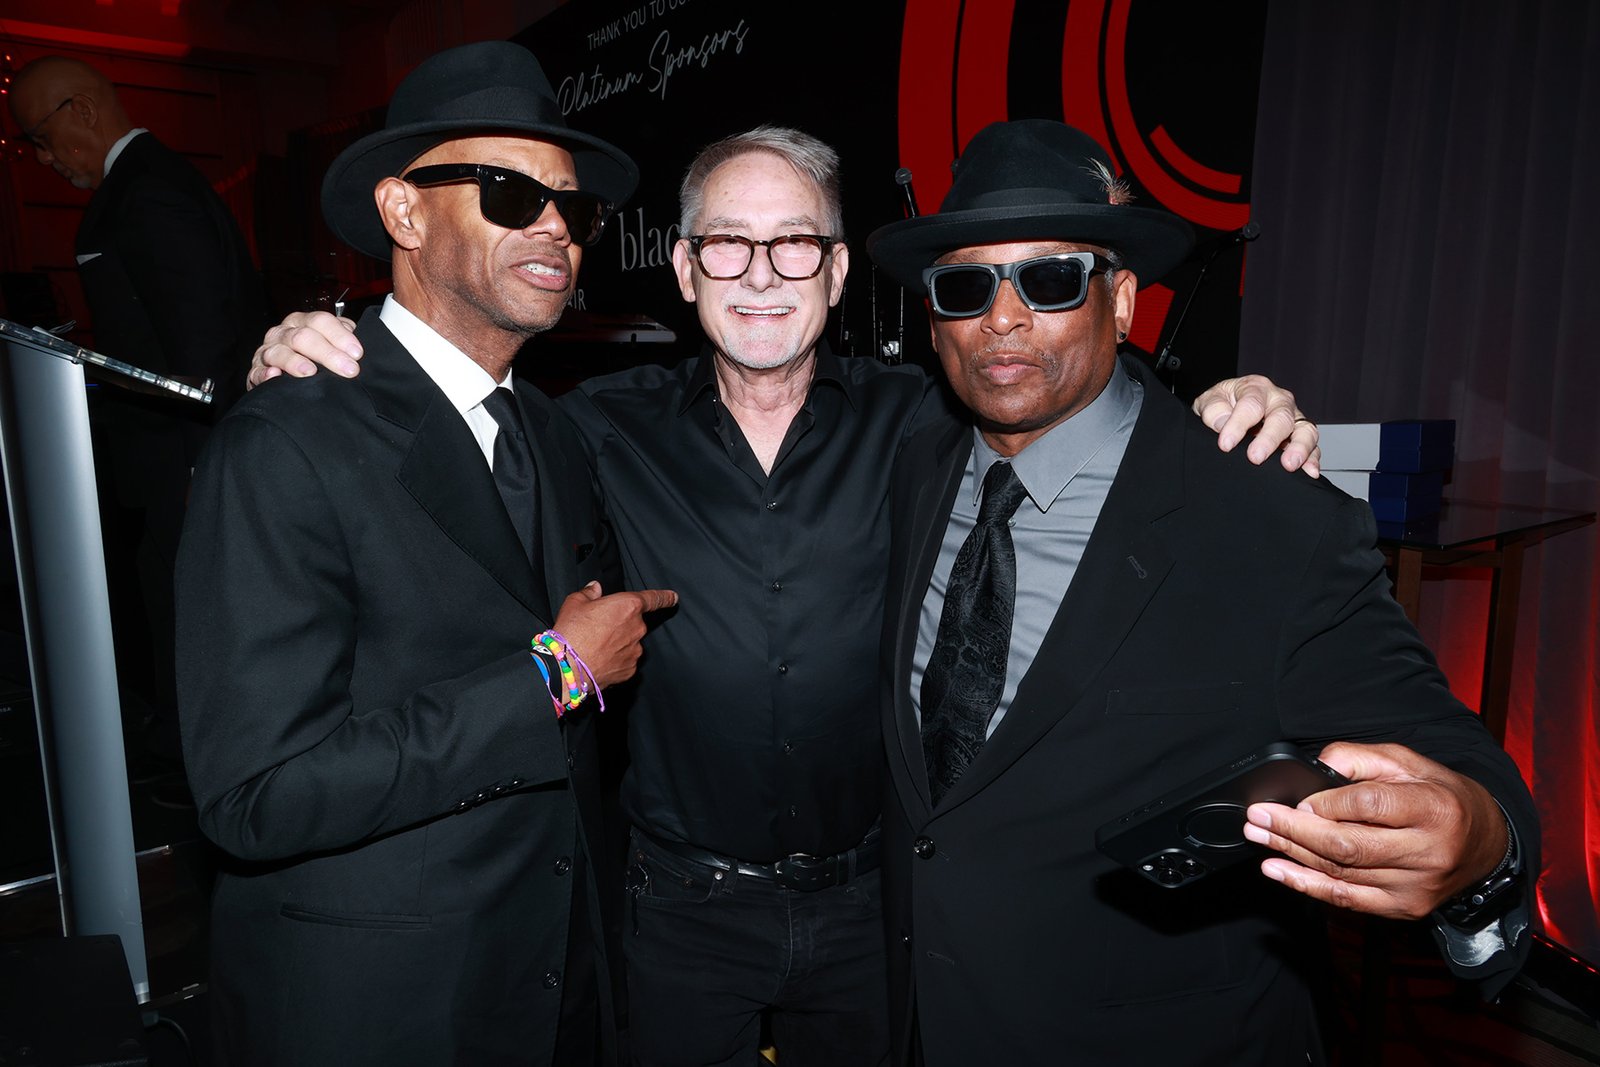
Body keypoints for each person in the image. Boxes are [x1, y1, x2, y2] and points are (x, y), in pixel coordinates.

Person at [252, 128, 1318, 1065]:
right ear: (684, 268)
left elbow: (1076, 405)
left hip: (877, 904)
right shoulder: (590, 429)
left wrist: (1227, 404)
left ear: (838, 269)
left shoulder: (931, 421)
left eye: (796, 243)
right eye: (727, 243)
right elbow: (447, 424)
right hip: (677, 908)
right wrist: (311, 348)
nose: (760, 274)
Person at [863, 119, 1538, 1065]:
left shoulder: (1267, 515)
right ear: (935, 321)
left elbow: (1449, 756)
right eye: (966, 287)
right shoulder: (910, 467)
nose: (1003, 319)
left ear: (1122, 301)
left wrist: (1478, 846)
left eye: (1051, 279)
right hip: (921, 1024)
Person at [174, 42, 674, 1066]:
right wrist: (555, 674)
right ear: (403, 212)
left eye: (573, 209)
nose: (554, 227)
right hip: (383, 1005)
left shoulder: (553, 431)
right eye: (510, 192)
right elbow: (256, 794)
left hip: (553, 985)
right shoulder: (286, 439)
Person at [8, 56, 268, 778]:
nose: (43, 158)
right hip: (174, 459)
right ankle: (192, 760)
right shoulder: (150, 183)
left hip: (183, 461)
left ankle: (202, 770)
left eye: (40, 138)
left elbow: (203, 352)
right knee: (175, 613)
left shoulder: (146, 192)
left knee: (190, 620)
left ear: (83, 112)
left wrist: (203, 466)